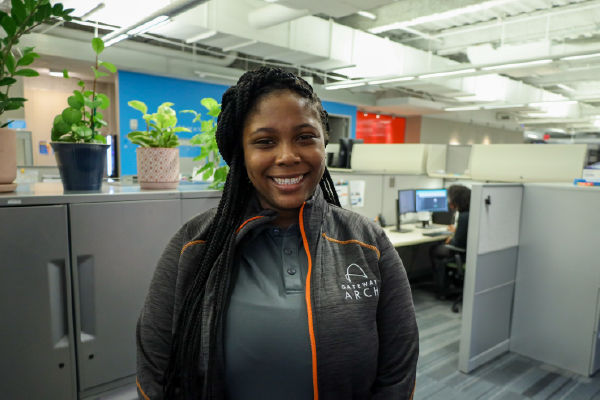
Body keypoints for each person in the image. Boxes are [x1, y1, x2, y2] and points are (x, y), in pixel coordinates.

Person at [135, 67, 419, 400]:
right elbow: (155, 371)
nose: (287, 156)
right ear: (242, 153)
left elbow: (397, 371)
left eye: (304, 136)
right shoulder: (195, 244)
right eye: (265, 141)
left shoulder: (367, 242)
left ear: (324, 142)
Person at [429, 185, 471, 294]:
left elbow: (459, 243)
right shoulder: (471, 212)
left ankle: (441, 287)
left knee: (434, 250)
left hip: (462, 254)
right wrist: (456, 230)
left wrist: (450, 240)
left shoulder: (463, 216)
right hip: (471, 253)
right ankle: (447, 283)